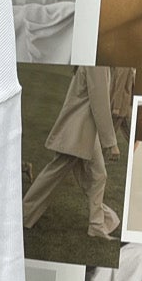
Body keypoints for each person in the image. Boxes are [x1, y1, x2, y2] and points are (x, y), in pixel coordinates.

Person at [22, 64, 125, 239]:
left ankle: (97, 224)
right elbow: (99, 102)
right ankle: (23, 214)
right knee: (54, 174)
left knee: (98, 175)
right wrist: (110, 142)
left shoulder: (98, 63)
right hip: (78, 129)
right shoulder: (98, 64)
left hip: (83, 129)